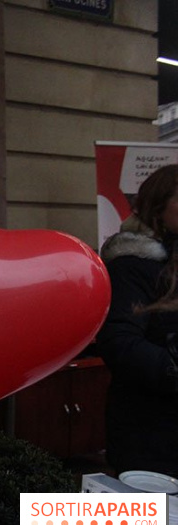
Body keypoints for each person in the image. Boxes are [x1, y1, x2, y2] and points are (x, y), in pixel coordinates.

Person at [96, 163, 178, 477]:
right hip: (150, 439)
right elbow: (119, 341)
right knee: (148, 523)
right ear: (158, 208)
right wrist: (171, 369)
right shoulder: (131, 267)